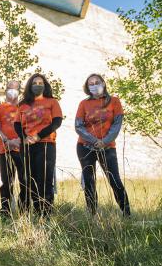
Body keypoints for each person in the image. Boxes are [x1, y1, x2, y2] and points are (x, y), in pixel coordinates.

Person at [75, 74, 131, 217]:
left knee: (114, 179)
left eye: (97, 82)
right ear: (87, 87)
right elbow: (78, 126)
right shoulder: (84, 104)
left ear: (103, 83)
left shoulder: (114, 101)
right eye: (90, 84)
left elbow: (117, 124)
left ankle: (127, 213)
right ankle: (92, 214)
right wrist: (94, 140)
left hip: (107, 148)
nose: (94, 85)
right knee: (89, 181)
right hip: (85, 147)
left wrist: (104, 141)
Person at [15, 73, 62, 216]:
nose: (38, 85)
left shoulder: (52, 102)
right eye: (35, 83)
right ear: (30, 86)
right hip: (27, 146)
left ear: (45, 86)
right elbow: (17, 124)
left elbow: (57, 122)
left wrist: (38, 136)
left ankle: (45, 213)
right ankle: (30, 212)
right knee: (28, 179)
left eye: (41, 83)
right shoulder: (23, 104)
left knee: (45, 179)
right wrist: (25, 138)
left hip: (46, 144)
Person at [0, 80, 25, 216]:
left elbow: (28, 127)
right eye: (9, 88)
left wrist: (19, 140)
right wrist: (7, 141)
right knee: (6, 181)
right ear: (6, 90)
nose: (12, 91)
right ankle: (5, 210)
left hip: (22, 149)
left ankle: (24, 208)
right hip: (5, 150)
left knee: (24, 180)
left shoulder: (24, 108)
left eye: (15, 89)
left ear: (20, 91)